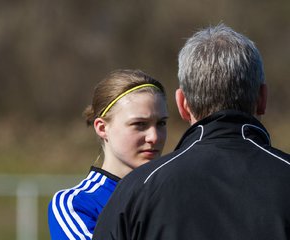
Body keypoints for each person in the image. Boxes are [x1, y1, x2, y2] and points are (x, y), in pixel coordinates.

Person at [93, 24, 290, 239]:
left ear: (182, 104)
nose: (153, 137)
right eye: (139, 124)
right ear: (262, 98)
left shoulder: (137, 190)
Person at [48, 69, 169, 239]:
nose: (154, 137)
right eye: (140, 124)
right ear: (102, 128)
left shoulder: (175, 195)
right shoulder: (77, 204)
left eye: (161, 123)